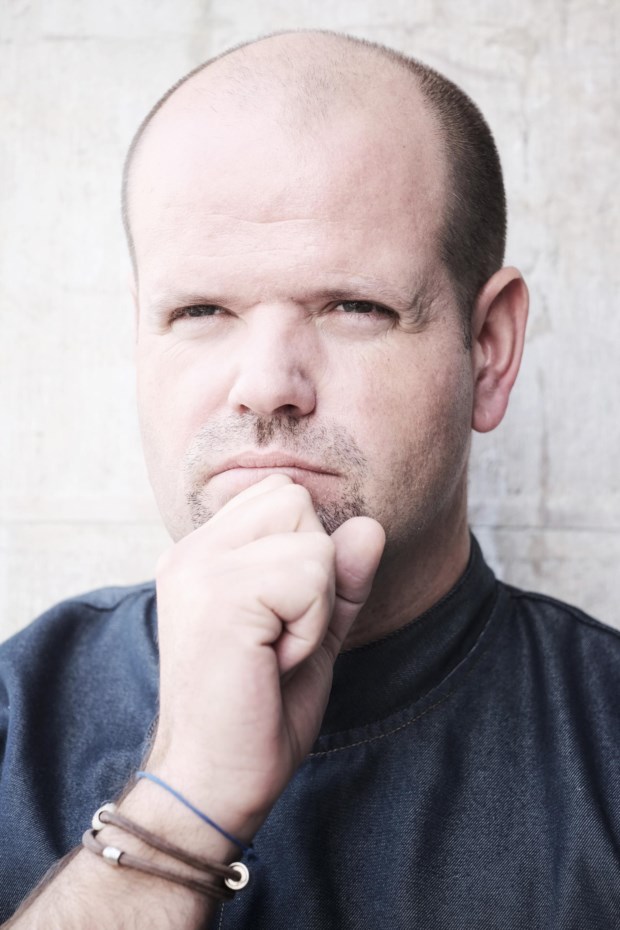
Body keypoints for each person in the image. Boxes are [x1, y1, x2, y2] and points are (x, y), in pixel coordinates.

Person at [1, 29, 618, 929]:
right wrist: (178, 810)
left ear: (488, 350)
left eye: (354, 306)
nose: (266, 385)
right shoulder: (13, 718)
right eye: (200, 310)